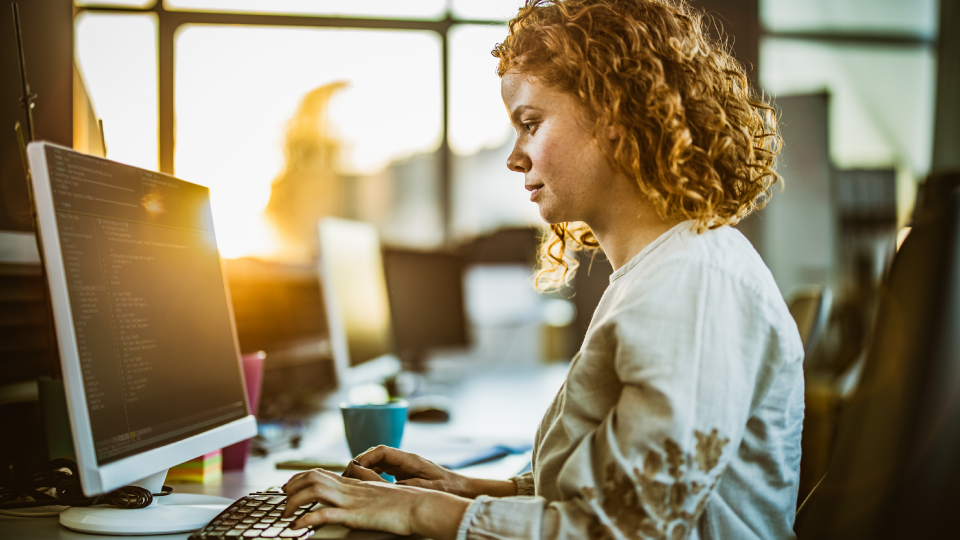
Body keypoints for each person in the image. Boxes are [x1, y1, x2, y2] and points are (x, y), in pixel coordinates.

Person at [280, 0, 803, 538]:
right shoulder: (662, 270)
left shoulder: (695, 283)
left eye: (530, 123)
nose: (514, 157)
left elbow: (626, 528)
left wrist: (413, 512)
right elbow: (611, 483)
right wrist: (469, 489)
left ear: (617, 115)